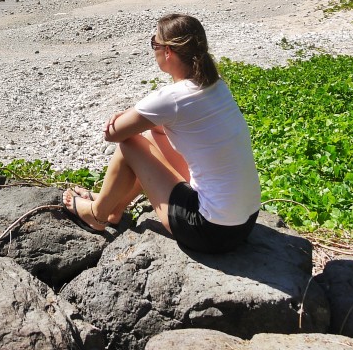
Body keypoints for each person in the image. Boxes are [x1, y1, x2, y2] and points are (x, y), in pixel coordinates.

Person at [63, 13, 260, 254]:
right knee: (151, 137)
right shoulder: (215, 83)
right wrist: (135, 116)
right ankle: (115, 209)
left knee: (131, 144)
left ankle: (98, 213)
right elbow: (160, 127)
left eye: (154, 44)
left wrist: (123, 118)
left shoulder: (172, 98)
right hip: (244, 222)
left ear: (168, 52)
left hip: (208, 230)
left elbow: (114, 135)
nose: (153, 50)